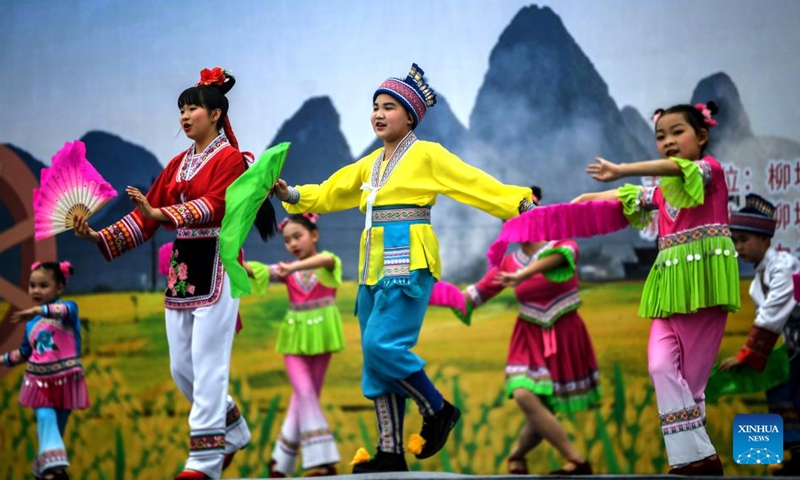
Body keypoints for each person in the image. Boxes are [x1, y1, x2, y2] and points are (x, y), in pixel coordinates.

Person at [272, 63, 535, 473]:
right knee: (374, 360)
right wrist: (291, 192)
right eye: (375, 106)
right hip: (371, 267)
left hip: (408, 260)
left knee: (383, 347)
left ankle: (438, 409)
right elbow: (328, 191)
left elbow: (471, 182)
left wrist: (515, 201)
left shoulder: (427, 154)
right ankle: (390, 450)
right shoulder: (369, 164)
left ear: (410, 115)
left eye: (389, 106)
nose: (378, 113)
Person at [73, 67, 255, 480]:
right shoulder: (177, 164)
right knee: (181, 368)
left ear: (215, 115)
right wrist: (98, 236)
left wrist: (164, 212)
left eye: (192, 108)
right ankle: (234, 428)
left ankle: (205, 462)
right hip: (184, 267)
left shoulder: (232, 159)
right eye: (181, 110)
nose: (185, 116)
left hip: (219, 262)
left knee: (209, 364)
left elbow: (218, 204)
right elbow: (146, 219)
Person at [572, 101, 739, 475]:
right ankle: (701, 458)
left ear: (702, 136)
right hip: (667, 296)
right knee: (660, 366)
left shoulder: (709, 173)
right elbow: (631, 196)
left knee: (691, 386)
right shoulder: (665, 192)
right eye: (660, 136)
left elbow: (674, 170)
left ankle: (693, 461)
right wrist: (588, 200)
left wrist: (620, 169)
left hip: (704, 293)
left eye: (677, 132)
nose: (668, 141)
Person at [455, 186, 599, 475]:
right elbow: (473, 296)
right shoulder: (508, 264)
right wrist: (427, 292)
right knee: (523, 394)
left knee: (541, 408)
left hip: (565, 332)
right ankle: (578, 461)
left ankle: (517, 457)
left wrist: (523, 274)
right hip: (528, 335)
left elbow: (562, 258)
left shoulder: (562, 244)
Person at [244, 213, 344, 477]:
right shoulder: (286, 270)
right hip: (293, 338)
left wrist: (291, 268)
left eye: (298, 236)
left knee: (304, 396)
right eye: (287, 240)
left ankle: (280, 461)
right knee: (305, 393)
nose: (293, 244)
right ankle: (320, 461)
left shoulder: (327, 263)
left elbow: (326, 259)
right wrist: (232, 259)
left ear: (314, 235)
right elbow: (260, 270)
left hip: (323, 335)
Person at [720, 194, 800, 475]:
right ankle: (781, 458)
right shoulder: (760, 278)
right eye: (735, 241)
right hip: (789, 349)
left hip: (794, 348)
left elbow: (770, 318)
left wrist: (746, 355)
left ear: (765, 240)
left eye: (744, 240)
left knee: (792, 395)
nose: (739, 247)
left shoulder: (784, 267)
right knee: (778, 393)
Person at [2, 261, 89, 480]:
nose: (36, 290)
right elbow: (23, 353)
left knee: (54, 432)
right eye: (32, 285)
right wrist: (1, 359)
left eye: (43, 285)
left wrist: (37, 310)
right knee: (45, 418)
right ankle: (55, 472)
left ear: (59, 288)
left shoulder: (69, 310)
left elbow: (61, 310)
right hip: (39, 383)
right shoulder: (32, 324)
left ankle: (48, 473)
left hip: (66, 382)